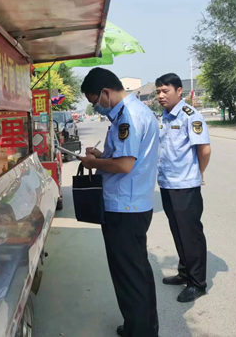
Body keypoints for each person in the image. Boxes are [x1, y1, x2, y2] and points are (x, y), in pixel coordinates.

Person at [79, 68, 159, 337]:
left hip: (125, 207)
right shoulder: (132, 113)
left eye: (94, 101)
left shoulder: (129, 117)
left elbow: (124, 165)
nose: (96, 107)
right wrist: (101, 156)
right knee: (137, 272)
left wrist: (93, 163)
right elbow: (125, 158)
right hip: (132, 204)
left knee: (129, 275)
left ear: (105, 92)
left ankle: (140, 331)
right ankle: (142, 326)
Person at [155, 73, 211, 303]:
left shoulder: (191, 116)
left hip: (186, 185)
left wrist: (199, 173)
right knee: (178, 230)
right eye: (158, 91)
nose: (160, 95)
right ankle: (184, 272)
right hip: (168, 183)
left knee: (191, 234)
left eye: (164, 91)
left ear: (179, 91)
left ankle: (197, 283)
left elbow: (204, 150)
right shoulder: (165, 117)